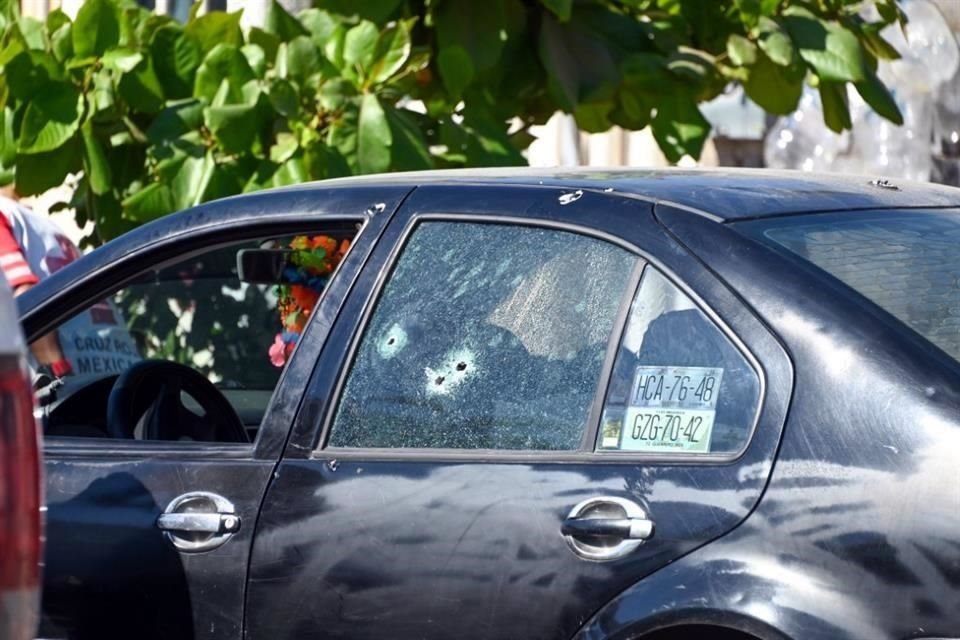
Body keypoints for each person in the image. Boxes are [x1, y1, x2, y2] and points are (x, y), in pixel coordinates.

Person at [0, 186, 139, 383]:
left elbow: (24, 297)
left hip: (75, 394)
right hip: (122, 376)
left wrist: (57, 374)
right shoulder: (38, 223)